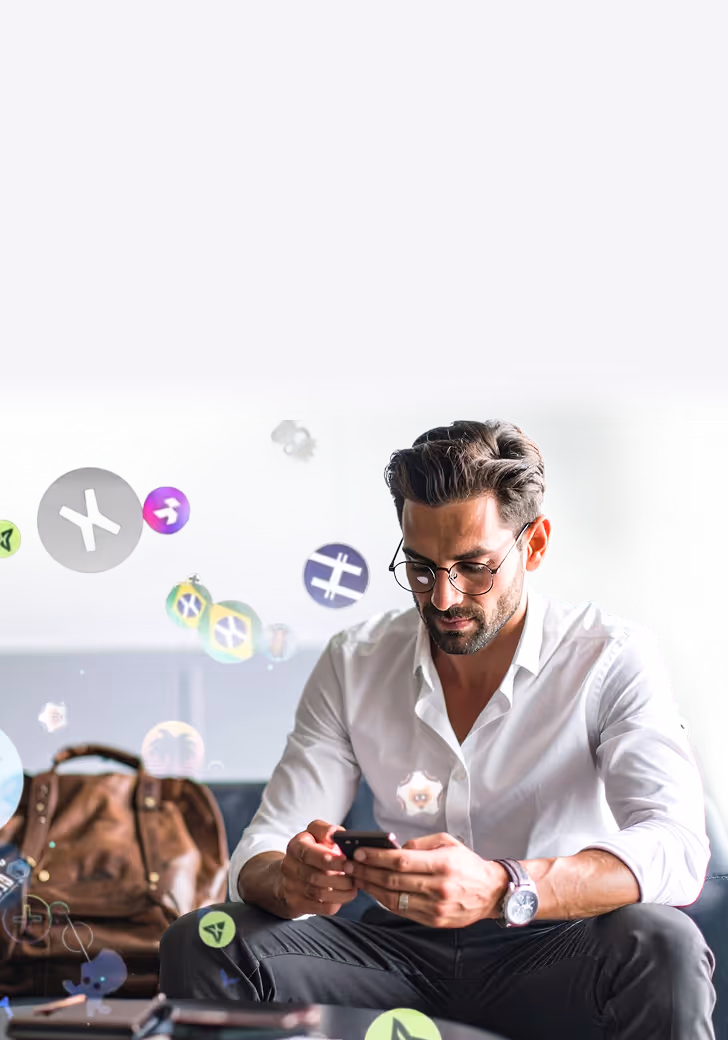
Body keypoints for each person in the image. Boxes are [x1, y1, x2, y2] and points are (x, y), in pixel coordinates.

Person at [159, 419, 716, 1040]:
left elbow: (677, 847)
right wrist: (290, 879)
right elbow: (265, 842)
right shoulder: (355, 660)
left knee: (662, 943)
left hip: (558, 945)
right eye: (422, 569)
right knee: (206, 940)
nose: (444, 599)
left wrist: (505, 886)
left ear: (534, 545)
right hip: (398, 956)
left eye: (474, 567)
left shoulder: (612, 654)